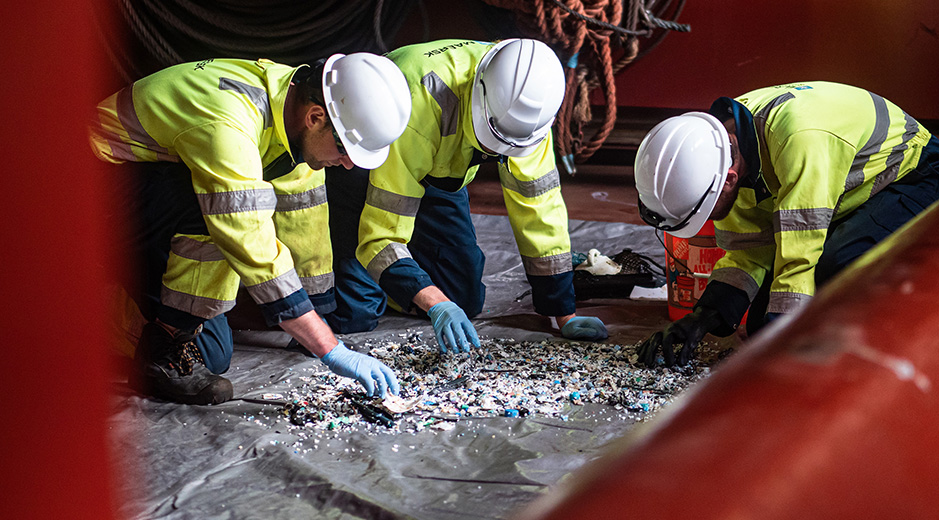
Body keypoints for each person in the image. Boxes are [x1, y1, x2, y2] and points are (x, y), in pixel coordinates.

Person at [90, 53, 412, 404]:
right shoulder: (228, 122)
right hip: (85, 194)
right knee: (217, 207)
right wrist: (328, 347)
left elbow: (305, 215)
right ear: (316, 117)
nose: (348, 164)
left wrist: (316, 313)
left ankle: (159, 327)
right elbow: (245, 232)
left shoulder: (293, 105)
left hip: (148, 199)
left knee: (211, 353)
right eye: (345, 148)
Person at [634, 81, 939, 367]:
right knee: (765, 322)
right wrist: (702, 317)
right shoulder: (723, 152)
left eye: (705, 211)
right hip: (851, 196)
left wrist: (783, 355)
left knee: (836, 268)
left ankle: (889, 352)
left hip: (919, 174)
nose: (707, 220)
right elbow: (750, 254)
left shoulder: (799, 140)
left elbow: (800, 260)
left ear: (729, 180)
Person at [323, 38, 608, 353]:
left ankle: (394, 279)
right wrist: (433, 302)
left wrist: (564, 313)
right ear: (477, 99)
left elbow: (541, 210)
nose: (496, 153)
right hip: (370, 165)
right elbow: (382, 233)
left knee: (464, 297)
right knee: (355, 313)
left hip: (442, 174)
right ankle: (348, 260)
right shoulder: (420, 99)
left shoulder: (529, 114)